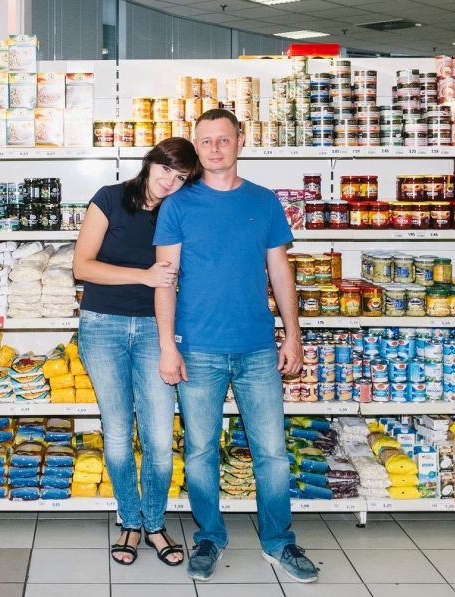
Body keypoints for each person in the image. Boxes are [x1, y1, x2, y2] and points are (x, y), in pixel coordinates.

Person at [153, 109, 318, 584]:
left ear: (240, 141)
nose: (215, 149)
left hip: (257, 347)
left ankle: (279, 542)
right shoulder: (178, 205)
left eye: (223, 140)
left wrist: (293, 332)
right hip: (197, 346)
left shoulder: (264, 202)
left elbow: (280, 271)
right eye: (205, 142)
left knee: (271, 451)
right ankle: (209, 536)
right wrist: (168, 345)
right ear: (197, 146)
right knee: (201, 450)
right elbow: (165, 281)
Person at [74, 136, 202, 566]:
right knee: (116, 436)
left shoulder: (180, 211)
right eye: (166, 169)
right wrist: (143, 277)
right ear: (150, 162)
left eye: (182, 177)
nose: (170, 181)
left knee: (160, 440)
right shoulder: (109, 198)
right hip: (102, 326)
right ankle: (129, 521)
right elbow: (82, 266)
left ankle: (155, 523)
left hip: (156, 331)